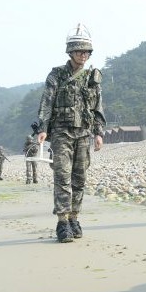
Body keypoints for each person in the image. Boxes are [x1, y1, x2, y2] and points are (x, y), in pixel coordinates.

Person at [36, 23, 105, 243]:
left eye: (86, 51)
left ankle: (75, 217)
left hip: (83, 133)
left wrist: (99, 132)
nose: (82, 55)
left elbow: (98, 106)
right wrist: (42, 129)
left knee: (80, 179)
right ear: (70, 52)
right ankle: (62, 222)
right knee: (62, 177)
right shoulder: (56, 74)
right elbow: (47, 103)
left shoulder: (92, 77)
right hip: (61, 133)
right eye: (78, 51)